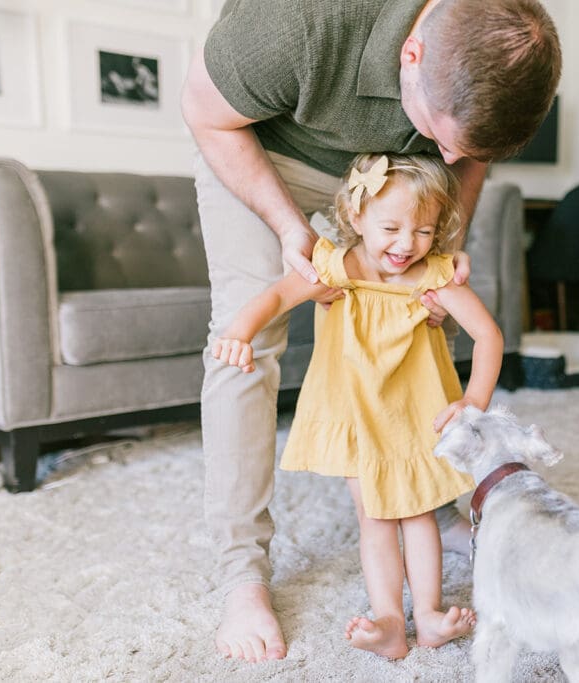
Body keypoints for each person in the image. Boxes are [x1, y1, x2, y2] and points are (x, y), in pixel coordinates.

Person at [179, 0, 560, 662]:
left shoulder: (501, 39)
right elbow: (207, 114)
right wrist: (291, 228)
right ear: (409, 55)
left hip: (397, 183)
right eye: (441, 134)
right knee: (250, 340)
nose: (449, 153)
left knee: (416, 326)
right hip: (262, 147)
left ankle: (421, 495)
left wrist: (447, 234)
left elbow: (465, 153)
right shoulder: (295, 23)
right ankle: (242, 573)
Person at [212, 153, 503, 659]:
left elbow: (488, 336)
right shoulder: (333, 268)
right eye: (390, 227)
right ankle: (390, 619)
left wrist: (473, 400)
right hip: (358, 417)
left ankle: (430, 615)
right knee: (375, 518)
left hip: (418, 414)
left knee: (418, 515)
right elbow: (276, 298)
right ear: (356, 217)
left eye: (424, 231)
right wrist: (238, 332)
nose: (405, 244)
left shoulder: (433, 276)